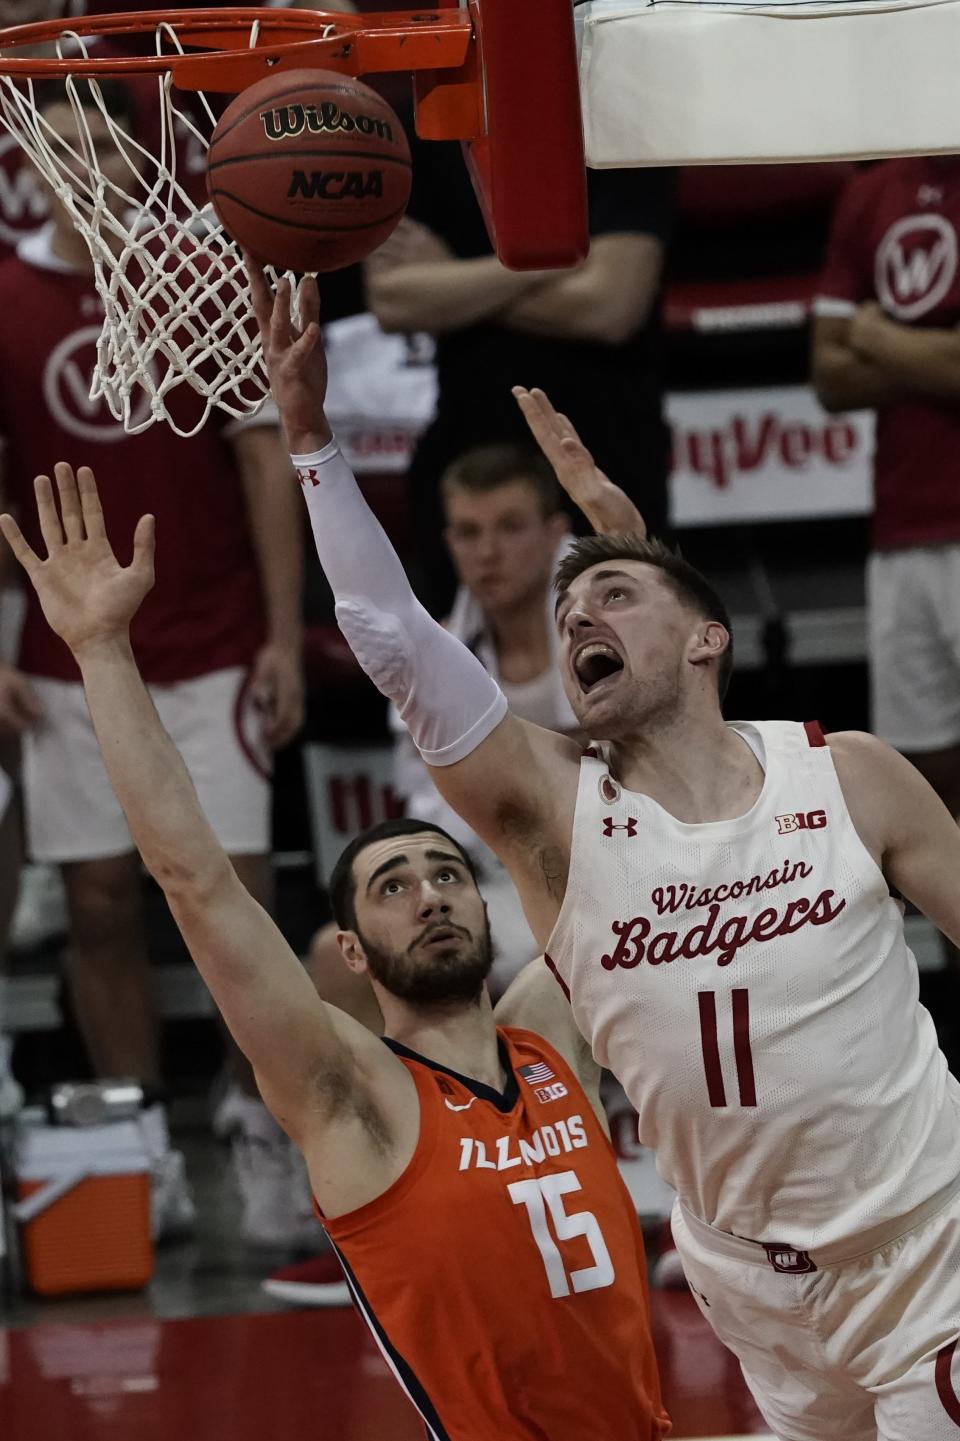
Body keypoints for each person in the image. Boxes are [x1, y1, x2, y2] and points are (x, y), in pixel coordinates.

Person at [253, 260, 960, 1440]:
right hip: (747, 1278)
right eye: (573, 609)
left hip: (925, 1235)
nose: (577, 613)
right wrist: (314, 441)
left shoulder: (848, 775)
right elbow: (390, 634)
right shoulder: (558, 819)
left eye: (615, 594)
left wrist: (627, 545)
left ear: (706, 640)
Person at [0, 465, 669, 1441]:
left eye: (442, 872)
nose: (431, 895)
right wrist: (102, 648)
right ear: (351, 951)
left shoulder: (550, 1037)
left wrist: (631, 562)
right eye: (392, 887)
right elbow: (194, 876)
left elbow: (636, 814)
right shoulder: (350, 1095)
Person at [0, 83, 309, 1245]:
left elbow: (264, 463)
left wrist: (282, 632)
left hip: (213, 633)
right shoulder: (6, 291)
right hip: (71, 647)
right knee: (95, 903)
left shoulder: (202, 269)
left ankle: (269, 1119)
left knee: (236, 892)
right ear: (26, 163)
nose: (79, 163)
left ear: (140, 158)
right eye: (58, 144)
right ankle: (138, 1143)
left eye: (99, 142)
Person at [366, 139, 676, 613]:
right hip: (468, 456)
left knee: (621, 665)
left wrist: (452, 276)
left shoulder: (619, 132)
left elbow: (612, 305)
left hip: (608, 456)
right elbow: (392, 300)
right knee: (474, 672)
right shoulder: (423, 135)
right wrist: (562, 257)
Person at [812, 157, 960, 833]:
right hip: (901, 531)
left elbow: (854, 347)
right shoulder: (871, 193)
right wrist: (930, 354)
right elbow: (830, 374)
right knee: (931, 794)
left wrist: (873, 335)